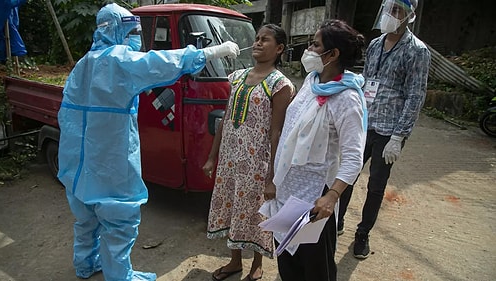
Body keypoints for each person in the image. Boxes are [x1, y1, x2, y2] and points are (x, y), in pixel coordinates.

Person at [57, 3, 239, 281]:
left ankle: (85, 264)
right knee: (118, 220)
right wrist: (211, 52)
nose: (135, 38)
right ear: (118, 30)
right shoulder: (119, 61)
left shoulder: (84, 63)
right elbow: (161, 63)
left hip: (78, 158)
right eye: (131, 31)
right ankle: (119, 276)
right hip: (109, 157)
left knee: (86, 217)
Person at [265, 19, 367, 281]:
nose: (308, 49)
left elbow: (354, 157)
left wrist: (332, 196)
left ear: (332, 55)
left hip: (314, 200)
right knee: (288, 260)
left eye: (315, 44)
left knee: (315, 269)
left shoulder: (347, 99)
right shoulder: (311, 83)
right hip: (288, 193)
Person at [337, 0, 431, 259]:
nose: (391, 15)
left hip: (389, 130)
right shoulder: (376, 44)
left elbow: (415, 96)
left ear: (409, 15)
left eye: (398, 10)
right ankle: (338, 221)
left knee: (376, 186)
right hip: (364, 122)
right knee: (348, 174)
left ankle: (362, 234)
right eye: (389, 9)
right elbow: (366, 81)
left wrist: (399, 136)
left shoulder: (417, 51)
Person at [203, 24, 294, 281]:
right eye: (256, 39)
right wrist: (212, 157)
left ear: (279, 49)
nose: (257, 43)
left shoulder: (280, 84)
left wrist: (272, 177)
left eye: (265, 40)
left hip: (257, 164)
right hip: (231, 161)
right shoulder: (238, 77)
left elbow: (277, 132)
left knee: (256, 213)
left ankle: (256, 264)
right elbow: (226, 119)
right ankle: (234, 262)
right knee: (232, 208)